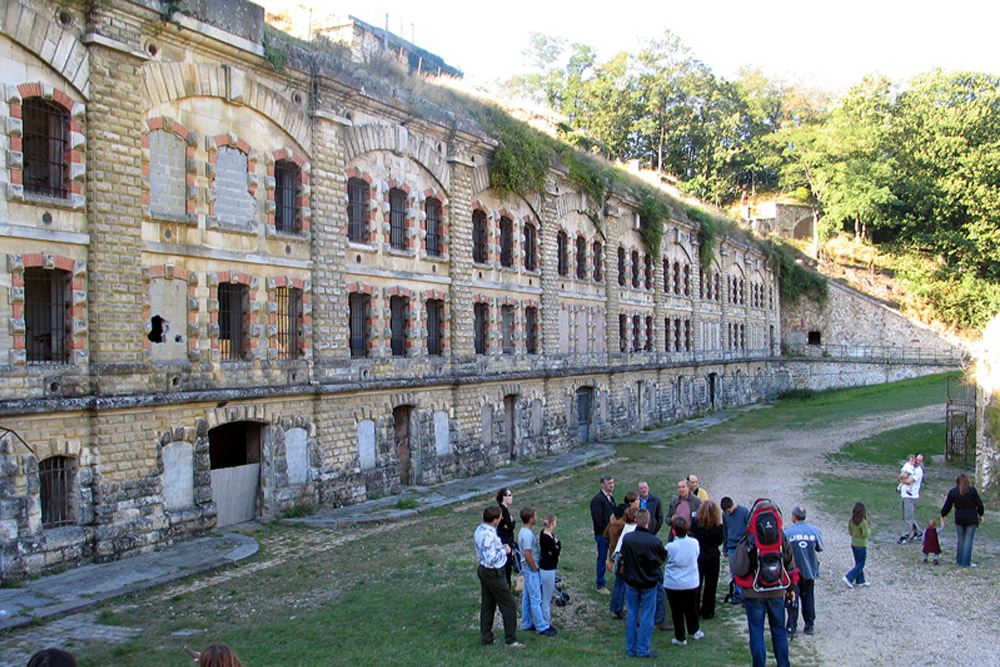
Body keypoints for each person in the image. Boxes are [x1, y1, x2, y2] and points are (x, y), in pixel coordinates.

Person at [735, 505, 799, 667]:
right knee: (779, 631)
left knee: (756, 632)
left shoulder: (749, 538)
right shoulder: (781, 538)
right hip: (777, 591)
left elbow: (738, 568)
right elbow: (791, 566)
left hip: (754, 592)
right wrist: (791, 590)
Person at [474, 505, 524, 648]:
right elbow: (491, 558)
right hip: (493, 572)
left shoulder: (480, 529)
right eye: (500, 517)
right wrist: (505, 550)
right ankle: (511, 639)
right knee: (508, 604)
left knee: (488, 605)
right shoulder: (489, 535)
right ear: (495, 520)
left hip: (484, 569)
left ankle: (487, 637)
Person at [620, 508, 667, 659]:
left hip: (632, 580)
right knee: (647, 616)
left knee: (632, 614)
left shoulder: (628, 538)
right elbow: (661, 558)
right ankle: (643, 649)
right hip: (648, 582)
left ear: (635, 520)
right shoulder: (654, 541)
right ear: (649, 521)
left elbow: (623, 555)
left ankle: (630, 648)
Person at [663, 516, 704, 646]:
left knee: (677, 611)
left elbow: (665, 559)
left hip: (673, 583)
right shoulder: (694, 543)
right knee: (691, 607)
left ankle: (680, 637)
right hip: (691, 581)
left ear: (674, 531)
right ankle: (694, 630)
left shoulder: (670, 547)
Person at [783, 505, 824, 637]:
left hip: (793, 572)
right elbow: (820, 548)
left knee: (793, 597)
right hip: (809, 571)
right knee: (808, 598)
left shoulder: (787, 533)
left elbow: (783, 552)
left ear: (794, 517)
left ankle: (792, 627)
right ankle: (809, 625)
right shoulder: (814, 530)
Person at [518, 506, 557, 636]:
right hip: (530, 568)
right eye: (535, 515)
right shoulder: (527, 535)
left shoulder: (523, 531)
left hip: (527, 567)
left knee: (527, 596)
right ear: (530, 519)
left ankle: (526, 622)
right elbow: (527, 553)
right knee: (536, 598)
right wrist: (534, 568)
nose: (537, 517)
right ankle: (542, 626)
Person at [940, 472, 985, 567]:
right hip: (971, 517)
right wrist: (980, 514)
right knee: (968, 540)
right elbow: (979, 504)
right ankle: (966, 562)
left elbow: (947, 505)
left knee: (961, 539)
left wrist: (943, 514)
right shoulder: (972, 491)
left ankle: (959, 560)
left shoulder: (953, 492)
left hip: (959, 517)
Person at [691, 500, 724, 619]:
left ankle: (694, 609)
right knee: (711, 585)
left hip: (699, 556)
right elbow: (720, 541)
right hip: (712, 557)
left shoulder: (695, 524)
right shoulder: (718, 527)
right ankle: (708, 611)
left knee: (697, 584)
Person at [607, 500, 639, 619]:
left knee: (618, 584)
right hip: (624, 560)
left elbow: (606, 535)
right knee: (624, 586)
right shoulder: (627, 528)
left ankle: (616, 608)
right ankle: (619, 608)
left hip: (616, 557)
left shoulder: (614, 524)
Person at [721, 496, 750, 604]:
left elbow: (750, 528)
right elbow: (725, 530)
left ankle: (745, 594)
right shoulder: (725, 515)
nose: (728, 513)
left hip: (742, 545)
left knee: (744, 570)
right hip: (731, 545)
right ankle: (738, 594)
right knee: (734, 571)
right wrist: (725, 547)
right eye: (726, 512)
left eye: (729, 511)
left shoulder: (744, 512)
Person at [590, 475, 616, 593]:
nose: (612, 485)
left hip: (610, 533)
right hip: (602, 534)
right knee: (602, 557)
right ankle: (600, 584)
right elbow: (598, 519)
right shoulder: (598, 500)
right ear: (602, 484)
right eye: (609, 483)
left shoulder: (611, 498)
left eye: (612, 483)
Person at [539, 513, 562, 629]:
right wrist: (558, 544)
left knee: (546, 595)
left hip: (548, 567)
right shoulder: (547, 538)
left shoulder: (546, 534)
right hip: (548, 569)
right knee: (546, 597)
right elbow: (555, 552)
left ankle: (544, 620)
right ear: (552, 523)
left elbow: (552, 551)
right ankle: (546, 622)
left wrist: (555, 548)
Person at [897, 453, 924, 543]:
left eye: (920, 460)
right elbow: (901, 476)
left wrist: (902, 480)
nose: (917, 461)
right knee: (906, 516)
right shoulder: (909, 466)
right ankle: (918, 532)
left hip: (911, 496)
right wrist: (901, 478)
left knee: (908, 517)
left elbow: (909, 481)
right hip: (904, 495)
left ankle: (905, 536)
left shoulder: (919, 471)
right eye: (917, 459)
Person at [843, 502, 870, 588]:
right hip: (861, 545)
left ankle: (860, 580)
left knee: (858, 562)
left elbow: (850, 532)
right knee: (861, 564)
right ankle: (849, 577)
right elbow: (865, 534)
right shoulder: (863, 522)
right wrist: (869, 530)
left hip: (854, 543)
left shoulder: (851, 521)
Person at [495, 487, 516, 585]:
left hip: (505, 540)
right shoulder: (503, 511)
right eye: (509, 495)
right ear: (504, 497)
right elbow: (511, 526)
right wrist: (512, 521)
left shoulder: (501, 509)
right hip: (506, 541)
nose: (511, 497)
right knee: (507, 568)